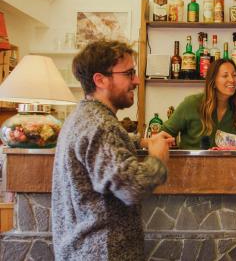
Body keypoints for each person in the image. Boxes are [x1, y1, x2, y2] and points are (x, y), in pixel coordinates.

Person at [52, 40, 172, 260]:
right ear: (100, 80)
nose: (136, 80)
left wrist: (142, 142)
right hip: (102, 251)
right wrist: (158, 160)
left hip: (82, 250)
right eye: (129, 73)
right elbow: (131, 188)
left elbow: (107, 151)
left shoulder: (84, 116)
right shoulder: (101, 125)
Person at [163, 58, 236, 149]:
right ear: (213, 81)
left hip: (230, 163)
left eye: (234, 75)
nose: (232, 80)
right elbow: (163, 135)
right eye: (225, 76)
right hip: (191, 163)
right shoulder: (191, 103)